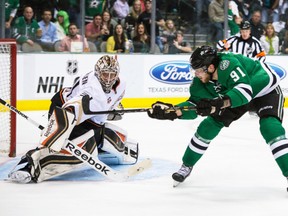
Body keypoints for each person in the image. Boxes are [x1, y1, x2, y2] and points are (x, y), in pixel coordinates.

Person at [147, 45, 288, 189]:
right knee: (208, 126)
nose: (196, 74)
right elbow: (193, 104)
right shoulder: (200, 82)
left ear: (211, 67)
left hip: (264, 89)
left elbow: (245, 91)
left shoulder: (227, 63)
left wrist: (217, 103)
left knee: (270, 128)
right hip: (233, 95)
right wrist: (174, 111)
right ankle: (186, 166)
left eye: (199, 70)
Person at [8, 55, 139, 183]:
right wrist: (55, 133)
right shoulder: (92, 91)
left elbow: (109, 101)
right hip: (62, 109)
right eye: (105, 74)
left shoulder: (122, 82)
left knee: (99, 136)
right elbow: (69, 109)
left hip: (87, 117)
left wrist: (111, 109)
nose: (109, 79)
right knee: (83, 150)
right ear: (98, 73)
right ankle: (28, 166)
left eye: (112, 75)